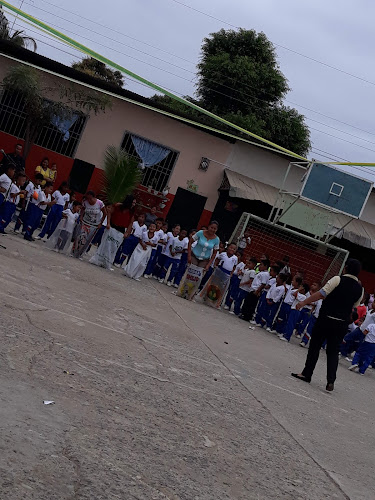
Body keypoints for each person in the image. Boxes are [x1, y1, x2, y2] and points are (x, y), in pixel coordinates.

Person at [292, 258, 363, 391]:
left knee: (315, 347)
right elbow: (353, 308)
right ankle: (330, 380)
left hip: (326, 318)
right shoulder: (360, 289)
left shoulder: (337, 279)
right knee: (333, 352)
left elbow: (321, 294)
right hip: (341, 324)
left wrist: (303, 302)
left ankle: (307, 374)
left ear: (346, 268)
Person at [91, 196, 136, 268]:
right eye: (133, 202)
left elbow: (131, 223)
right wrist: (108, 223)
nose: (134, 204)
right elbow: (109, 213)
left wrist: (127, 232)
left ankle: (107, 263)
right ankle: (98, 260)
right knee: (105, 244)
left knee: (114, 247)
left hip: (120, 230)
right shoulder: (118, 206)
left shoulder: (131, 212)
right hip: (112, 227)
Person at [72, 190, 107, 258]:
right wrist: (81, 217)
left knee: (87, 240)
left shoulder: (99, 203)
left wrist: (101, 223)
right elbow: (82, 210)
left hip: (94, 225)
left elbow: (105, 213)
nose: (89, 200)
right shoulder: (85, 202)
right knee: (80, 237)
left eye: (90, 198)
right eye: (88, 199)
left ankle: (80, 254)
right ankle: (74, 251)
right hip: (85, 222)